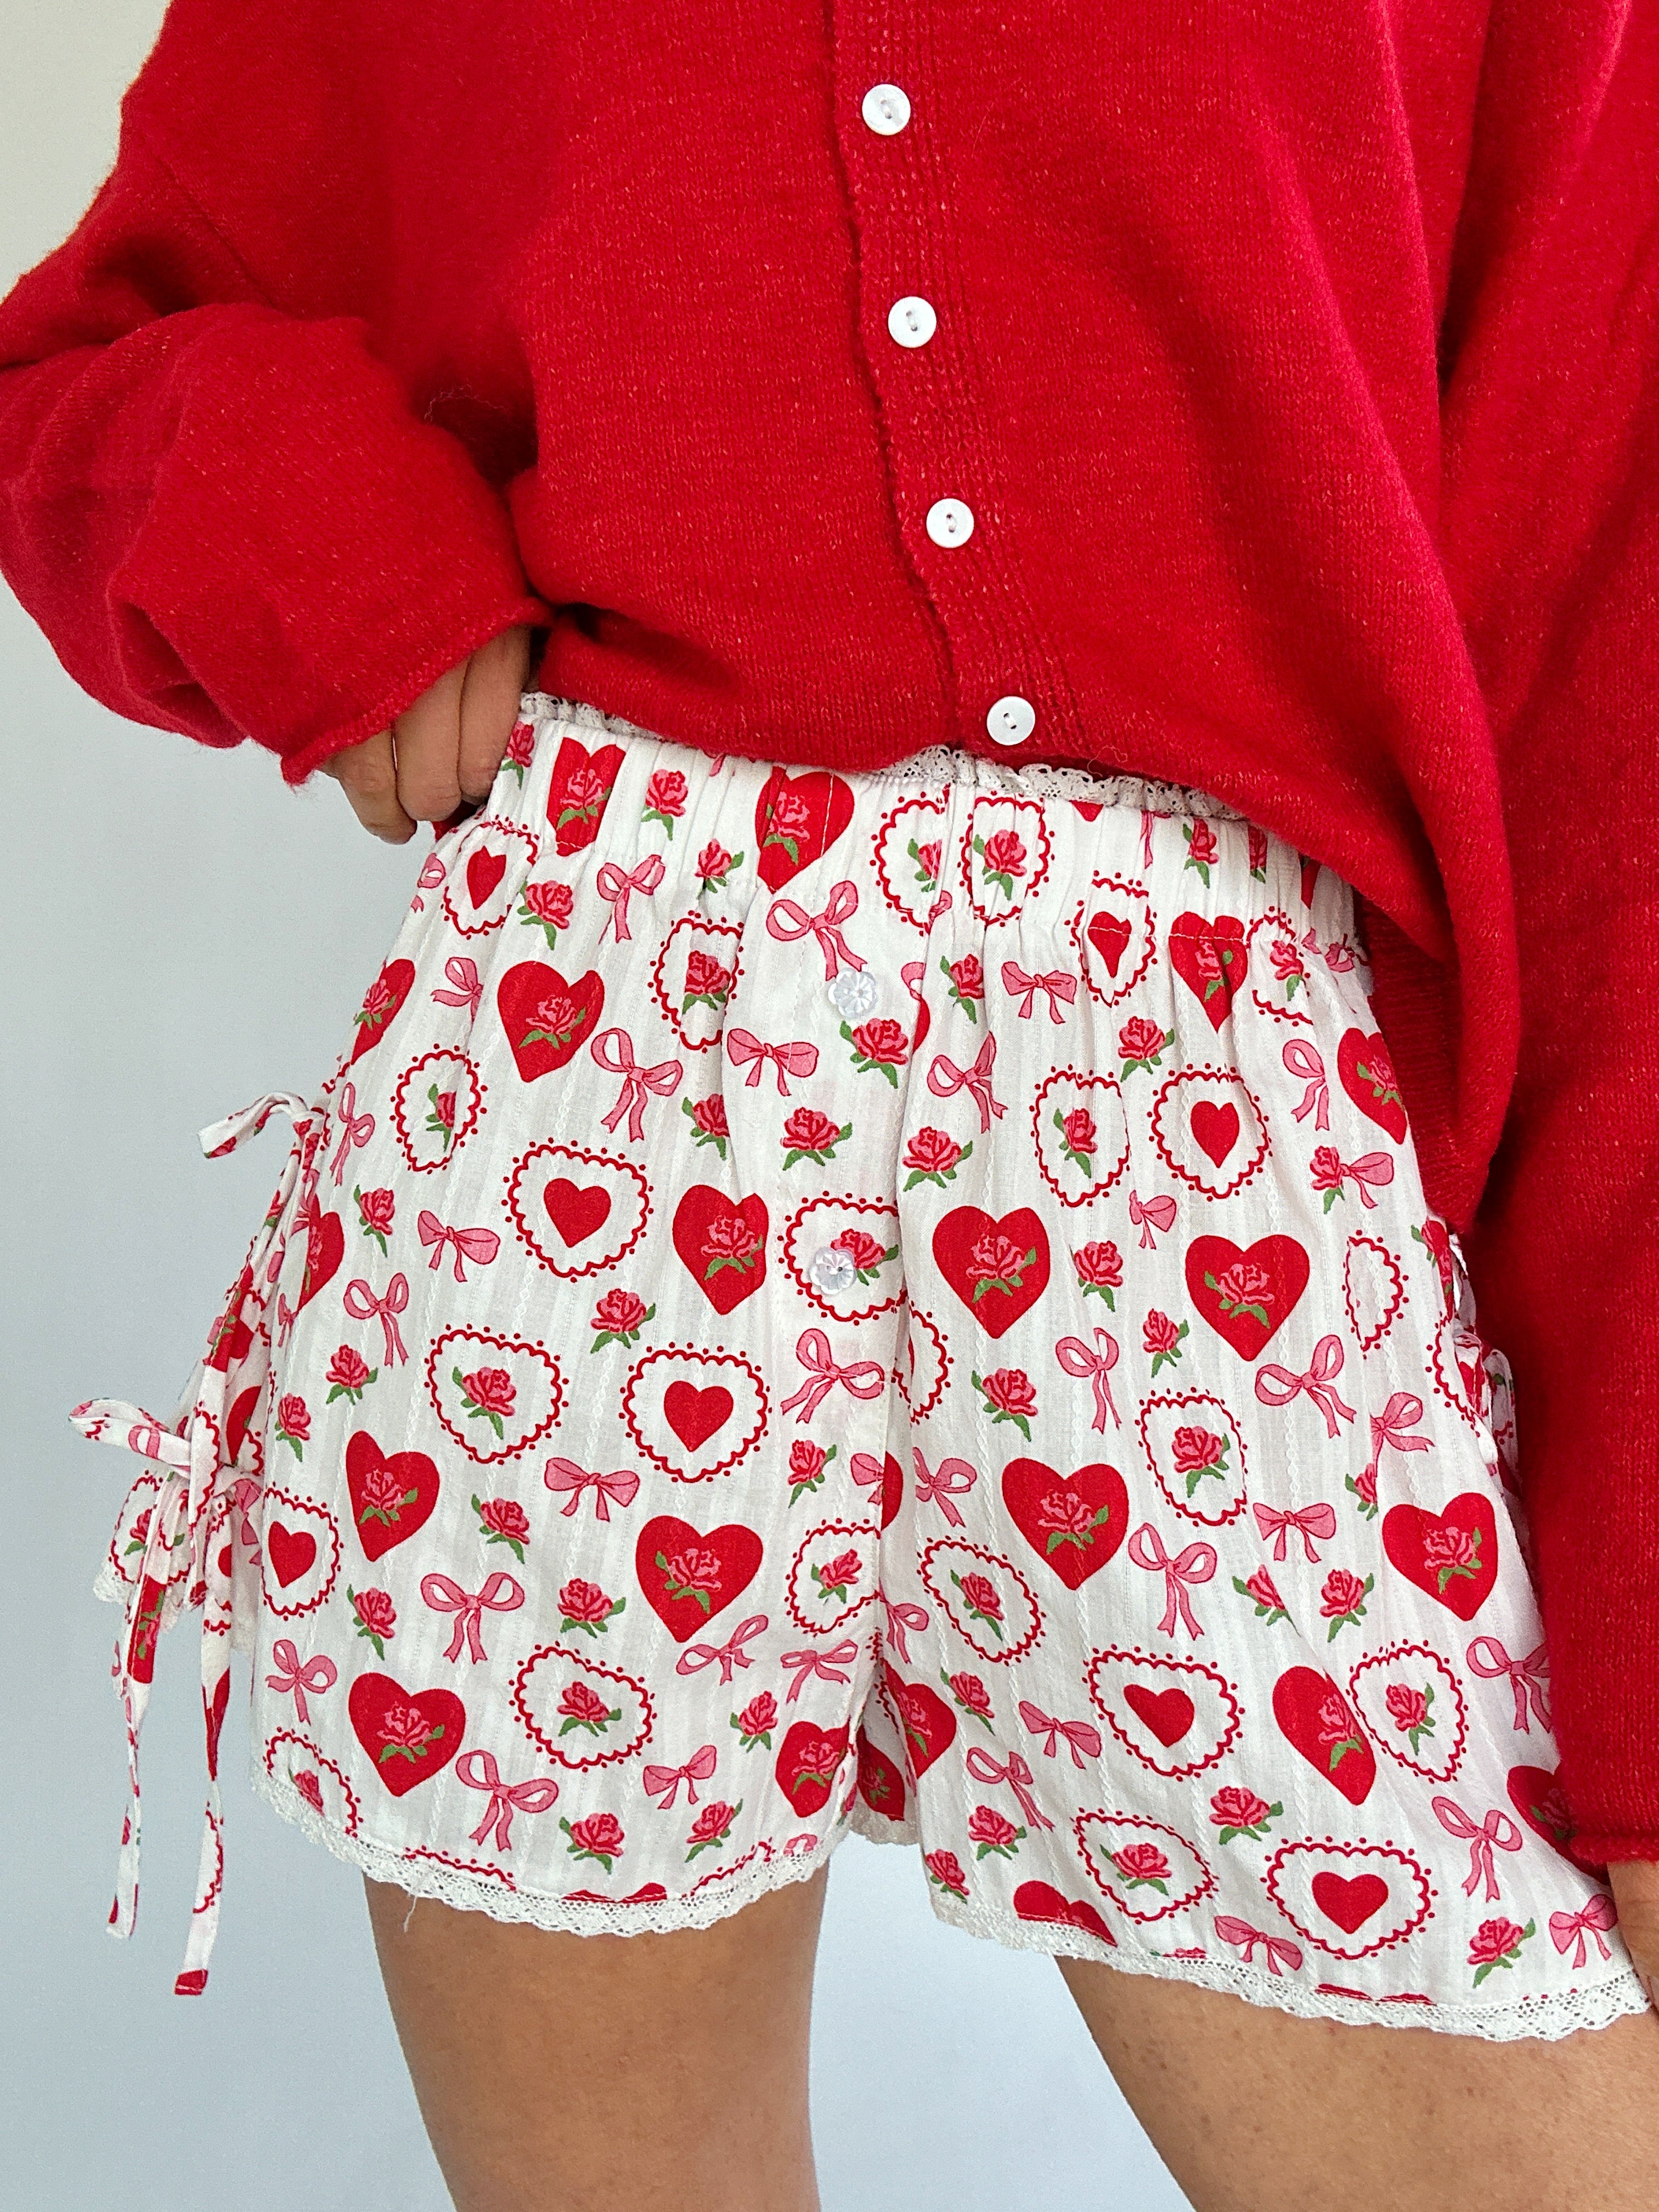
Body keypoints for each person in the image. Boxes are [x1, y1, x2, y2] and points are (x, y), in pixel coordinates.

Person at [3, 4, 1656, 2208]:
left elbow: (1606, 699)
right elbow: (94, 361)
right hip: (592, 1146)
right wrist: (328, 552)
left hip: (1218, 1208)